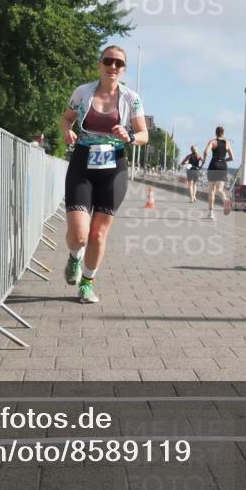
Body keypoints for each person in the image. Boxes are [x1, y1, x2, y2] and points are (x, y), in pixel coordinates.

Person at [59, 46, 148, 304]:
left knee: (98, 233)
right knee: (78, 234)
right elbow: (66, 119)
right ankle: (75, 257)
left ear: (123, 69)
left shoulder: (131, 98)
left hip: (114, 166)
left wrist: (129, 136)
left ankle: (87, 283)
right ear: (99, 64)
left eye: (119, 63)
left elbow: (144, 135)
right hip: (82, 163)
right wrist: (67, 131)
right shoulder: (83, 92)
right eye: (108, 61)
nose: (113, 66)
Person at [202, 126, 234, 220]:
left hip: (213, 165)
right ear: (223, 133)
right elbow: (232, 157)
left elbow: (205, 152)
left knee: (211, 190)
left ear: (216, 133)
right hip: (223, 166)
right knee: (219, 190)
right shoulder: (227, 143)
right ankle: (225, 201)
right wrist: (224, 160)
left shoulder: (212, 141)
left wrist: (204, 159)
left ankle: (211, 213)